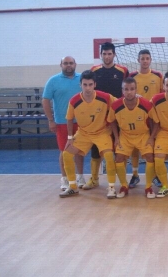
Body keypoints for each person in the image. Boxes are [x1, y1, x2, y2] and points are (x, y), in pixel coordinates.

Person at [59, 70, 117, 198]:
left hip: (102, 133)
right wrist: (70, 138)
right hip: (84, 133)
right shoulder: (74, 101)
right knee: (66, 154)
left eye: (90, 84)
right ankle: (73, 187)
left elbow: (119, 104)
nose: (88, 88)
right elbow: (69, 119)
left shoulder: (105, 97)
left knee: (108, 156)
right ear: (80, 85)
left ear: (95, 84)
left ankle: (111, 187)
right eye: (85, 85)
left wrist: (136, 98)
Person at [84, 42, 129, 190]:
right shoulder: (94, 70)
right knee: (96, 150)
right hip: (99, 117)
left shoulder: (123, 71)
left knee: (119, 149)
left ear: (114, 55)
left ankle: (122, 181)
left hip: (118, 116)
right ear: (101, 55)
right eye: (104, 54)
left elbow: (127, 91)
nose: (107, 56)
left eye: (110, 54)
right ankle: (94, 179)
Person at [107, 77, 160, 199]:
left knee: (150, 157)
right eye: (126, 89)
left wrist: (152, 138)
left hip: (143, 135)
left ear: (136, 90)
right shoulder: (115, 105)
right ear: (122, 90)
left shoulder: (146, 104)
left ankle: (148, 187)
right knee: (119, 158)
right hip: (125, 136)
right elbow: (111, 121)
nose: (129, 92)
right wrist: (116, 137)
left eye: (132, 89)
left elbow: (156, 122)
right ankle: (124, 186)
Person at [42, 56, 84, 191]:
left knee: (79, 151)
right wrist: (50, 120)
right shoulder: (53, 81)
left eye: (71, 63)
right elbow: (45, 100)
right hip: (62, 123)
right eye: (65, 63)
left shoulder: (82, 79)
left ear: (75, 64)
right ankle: (65, 179)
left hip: (81, 122)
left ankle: (80, 176)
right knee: (64, 151)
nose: (68, 65)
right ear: (61, 65)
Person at [128, 49, 163, 189]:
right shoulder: (132, 76)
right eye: (142, 58)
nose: (145, 61)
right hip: (136, 115)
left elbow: (162, 95)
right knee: (135, 147)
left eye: (147, 58)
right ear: (138, 60)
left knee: (152, 145)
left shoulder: (158, 75)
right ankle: (135, 175)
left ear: (150, 60)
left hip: (153, 115)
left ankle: (155, 175)